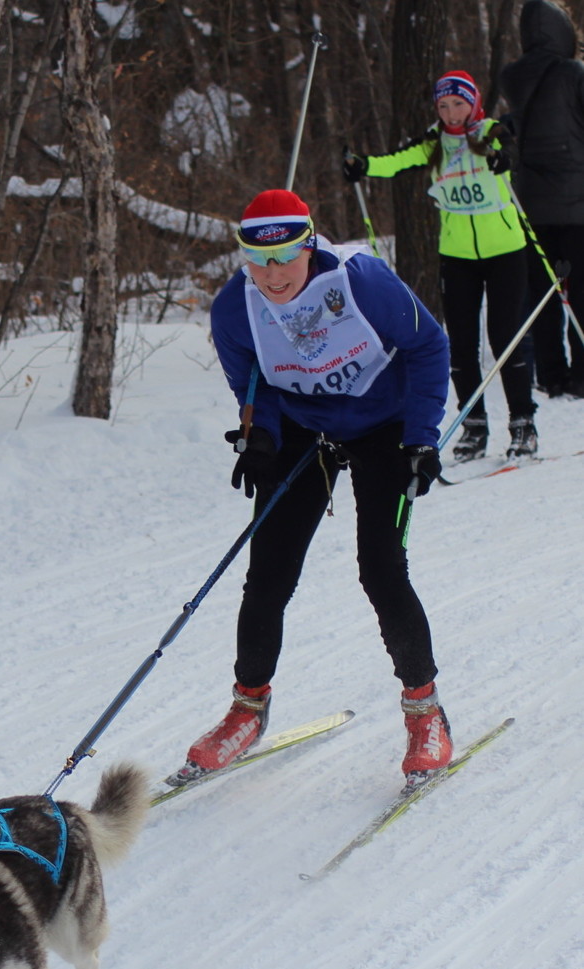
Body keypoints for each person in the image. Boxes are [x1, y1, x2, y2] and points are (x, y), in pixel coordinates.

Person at [170, 189, 453, 792]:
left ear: (309, 245)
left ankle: (426, 712)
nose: (272, 275)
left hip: (385, 427)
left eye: (285, 259)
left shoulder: (360, 281)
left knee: (381, 569)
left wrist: (423, 437)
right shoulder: (233, 309)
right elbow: (254, 385)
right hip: (306, 428)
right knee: (268, 571)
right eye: (257, 259)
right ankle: (247, 709)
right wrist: (262, 436)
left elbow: (428, 345)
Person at [343, 70, 539, 461]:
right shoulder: (435, 142)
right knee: (460, 344)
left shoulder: (491, 131)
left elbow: (512, 153)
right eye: (444, 105)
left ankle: (523, 423)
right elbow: (396, 162)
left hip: (506, 252)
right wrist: (363, 165)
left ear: (473, 102)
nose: (452, 112)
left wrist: (502, 159)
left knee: (505, 336)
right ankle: (474, 426)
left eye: (458, 103)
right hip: (457, 256)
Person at [501, 0, 584, 399]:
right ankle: (583, 373)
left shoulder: (513, 77)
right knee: (581, 288)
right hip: (577, 202)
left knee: (545, 292)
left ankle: (551, 374)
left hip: (532, 203)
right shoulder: (574, 73)